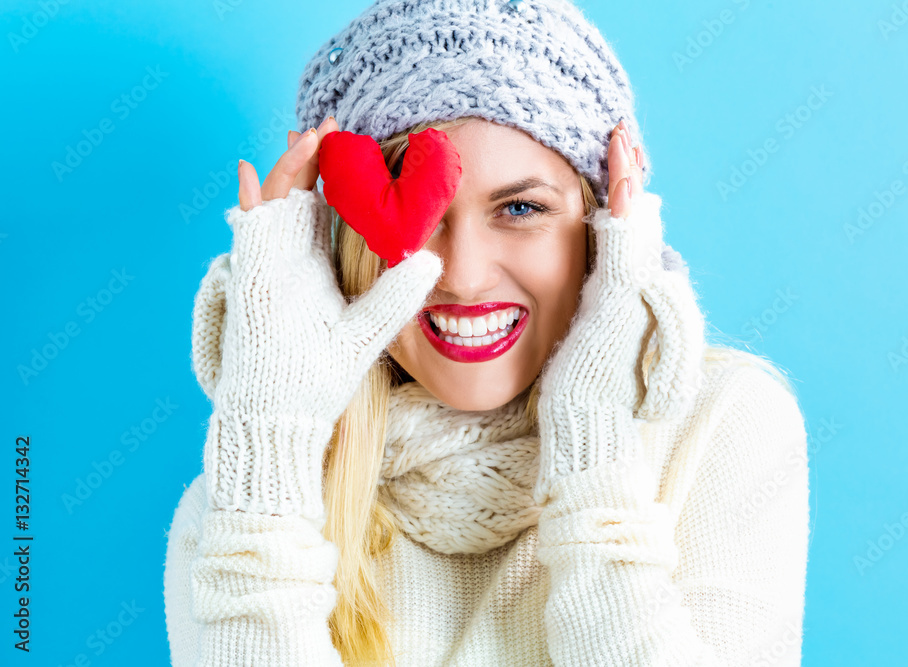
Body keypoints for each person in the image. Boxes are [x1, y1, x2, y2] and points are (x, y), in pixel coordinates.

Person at [163, 0, 811, 665]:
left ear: (602, 229)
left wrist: (592, 451)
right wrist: (268, 459)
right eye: (425, 216)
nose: (464, 277)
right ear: (349, 241)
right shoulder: (248, 497)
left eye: (521, 208)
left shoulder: (723, 427)